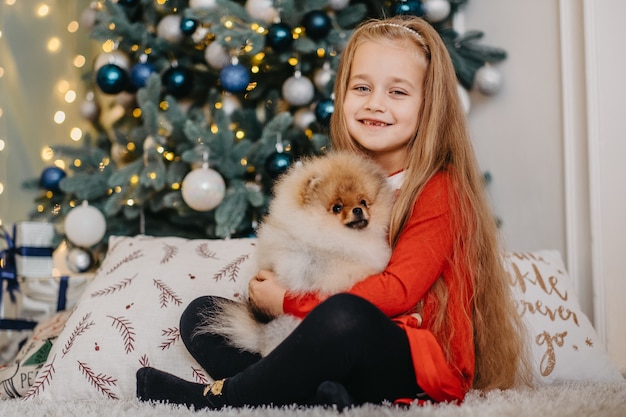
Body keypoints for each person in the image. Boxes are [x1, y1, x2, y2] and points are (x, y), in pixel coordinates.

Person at [136, 15, 532, 410]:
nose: (375, 103)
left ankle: (224, 399)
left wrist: (287, 301)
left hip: (414, 361)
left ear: (430, 105)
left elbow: (396, 294)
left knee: (345, 316)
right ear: (342, 95)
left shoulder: (439, 188)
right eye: (362, 87)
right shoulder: (336, 179)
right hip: (332, 347)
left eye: (398, 92)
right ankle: (316, 400)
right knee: (203, 315)